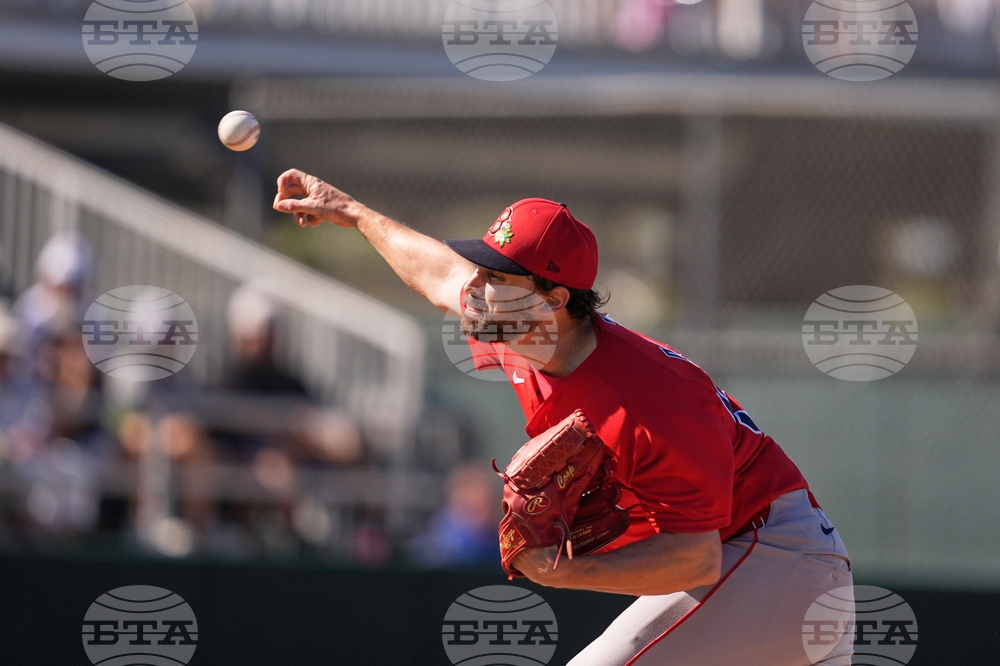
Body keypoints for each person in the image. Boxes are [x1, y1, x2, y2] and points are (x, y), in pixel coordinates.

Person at [272, 169, 855, 665]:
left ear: (553, 299)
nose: (475, 286)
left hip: (772, 560)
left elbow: (694, 555)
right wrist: (351, 211)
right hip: (747, 567)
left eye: (496, 277)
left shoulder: (645, 399)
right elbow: (438, 274)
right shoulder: (522, 328)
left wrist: (560, 571)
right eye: (482, 268)